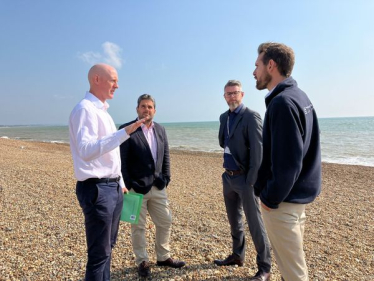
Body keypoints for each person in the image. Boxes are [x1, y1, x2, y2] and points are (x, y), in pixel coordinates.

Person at [69, 63, 145, 281]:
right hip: (97, 189)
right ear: (96, 79)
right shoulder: (85, 109)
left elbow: (111, 156)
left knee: (108, 248)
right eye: (113, 80)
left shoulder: (103, 112)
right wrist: (123, 133)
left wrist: (120, 182)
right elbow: (86, 150)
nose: (117, 86)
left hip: (112, 188)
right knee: (99, 254)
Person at [253, 42, 322, 281]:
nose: (254, 72)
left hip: (283, 204)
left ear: (271, 65)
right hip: (296, 199)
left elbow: (289, 164)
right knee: (290, 266)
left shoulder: (283, 103)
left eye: (257, 65)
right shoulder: (300, 97)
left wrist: (269, 198)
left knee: (294, 274)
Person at [119, 94, 185, 278]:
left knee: (165, 221)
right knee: (138, 227)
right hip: (135, 188)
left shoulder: (161, 130)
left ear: (154, 110)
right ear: (137, 109)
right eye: (142, 106)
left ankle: (163, 257)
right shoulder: (127, 129)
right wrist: (127, 184)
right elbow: (121, 161)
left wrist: (166, 178)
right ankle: (142, 261)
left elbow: (165, 157)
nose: (146, 110)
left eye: (149, 107)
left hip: (158, 186)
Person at [215, 80, 271, 281]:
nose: (232, 96)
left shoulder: (251, 116)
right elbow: (223, 141)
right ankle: (238, 256)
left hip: (245, 179)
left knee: (255, 223)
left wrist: (252, 180)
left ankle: (265, 267)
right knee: (234, 221)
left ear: (242, 94)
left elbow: (259, 152)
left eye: (235, 93)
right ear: (224, 96)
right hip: (227, 177)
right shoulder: (224, 117)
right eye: (228, 93)